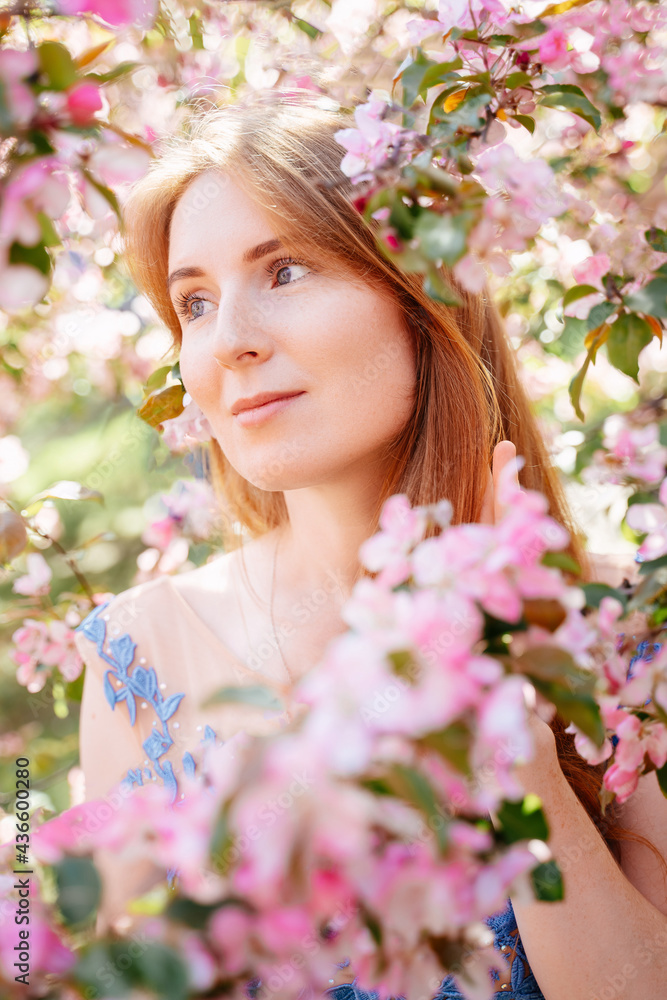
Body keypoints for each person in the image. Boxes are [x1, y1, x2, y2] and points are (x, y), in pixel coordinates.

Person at [74, 92, 667, 999]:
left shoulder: (622, 629)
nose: (228, 341)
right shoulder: (139, 651)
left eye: (283, 272)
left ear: (420, 300)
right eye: (193, 302)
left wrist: (525, 774)